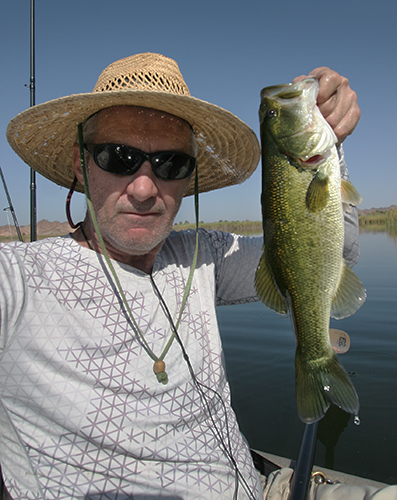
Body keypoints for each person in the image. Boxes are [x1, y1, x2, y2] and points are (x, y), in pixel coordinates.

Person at [1, 53, 394, 500]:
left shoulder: (205, 256)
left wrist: (331, 146)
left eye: (170, 164)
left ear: (188, 178)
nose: (145, 187)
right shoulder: (19, 279)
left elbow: (338, 250)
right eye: (118, 157)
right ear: (80, 163)